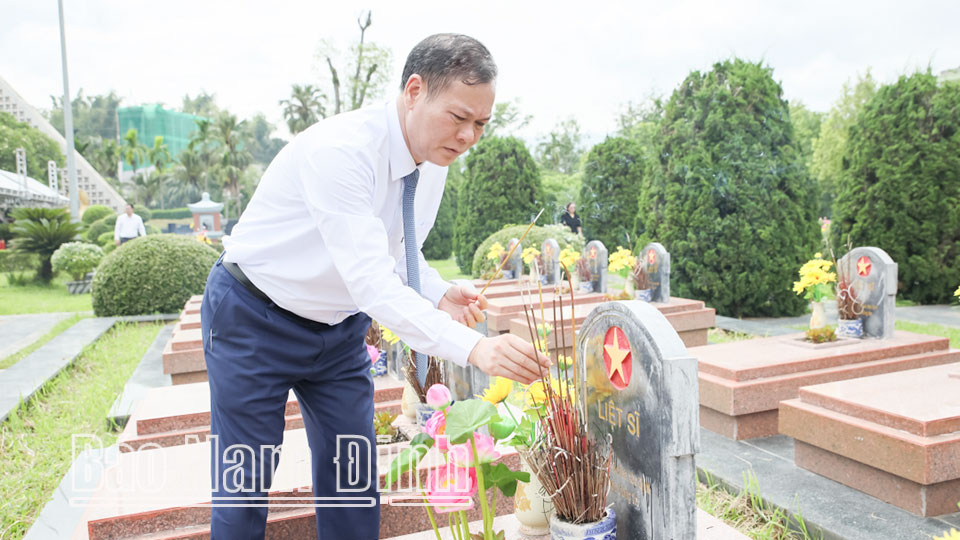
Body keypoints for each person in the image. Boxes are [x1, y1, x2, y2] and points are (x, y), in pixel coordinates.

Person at [202, 34, 551, 540]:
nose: (469, 136)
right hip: (255, 317)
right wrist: (475, 348)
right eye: (459, 117)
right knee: (245, 484)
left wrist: (435, 291)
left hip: (339, 331)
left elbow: (397, 252)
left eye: (480, 123)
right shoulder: (341, 152)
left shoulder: (433, 161)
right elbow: (369, 281)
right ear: (414, 90)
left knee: (351, 482)